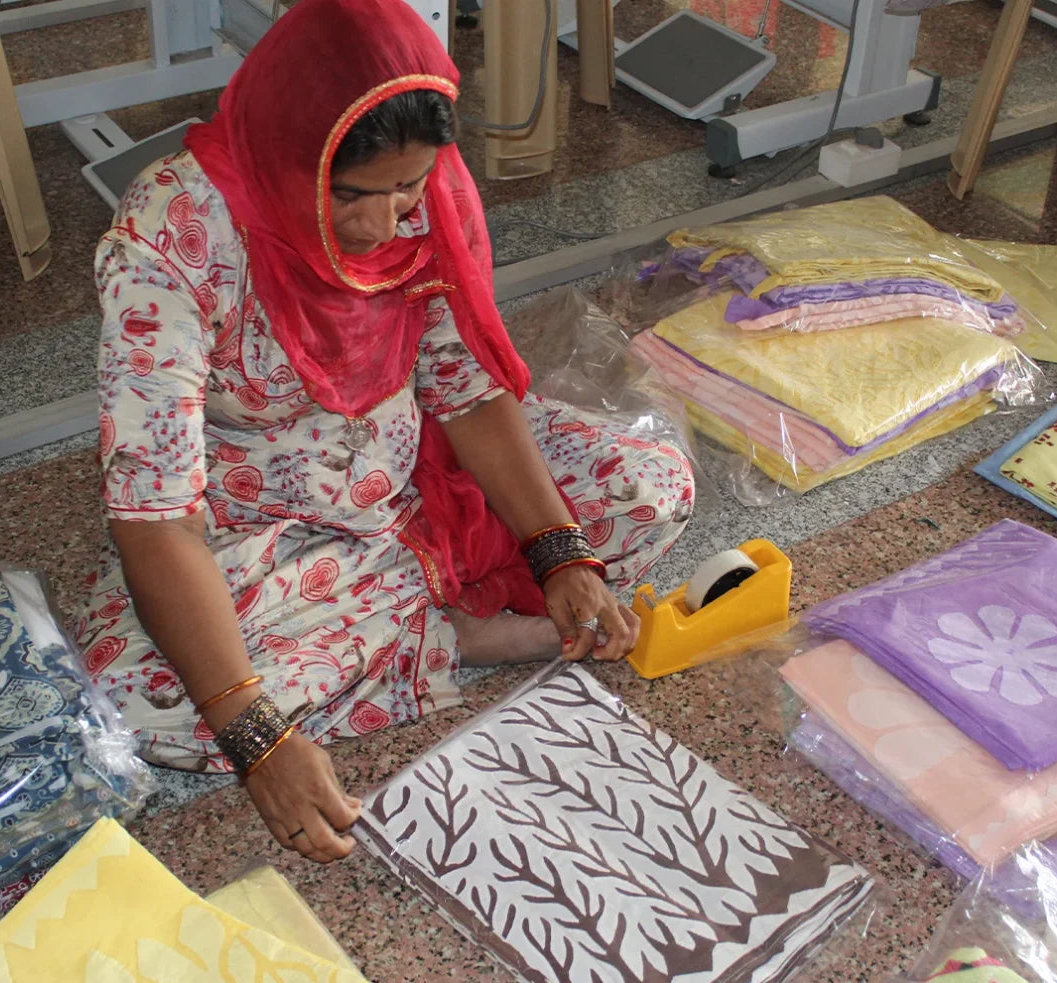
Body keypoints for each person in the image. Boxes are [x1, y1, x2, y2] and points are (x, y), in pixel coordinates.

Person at [73, 0, 693, 865]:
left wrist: (557, 551)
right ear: (292, 152)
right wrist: (258, 743)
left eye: (407, 188)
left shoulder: (423, 201)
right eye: (352, 192)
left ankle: (418, 621)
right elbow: (159, 516)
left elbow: (464, 392)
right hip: (271, 526)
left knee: (648, 487)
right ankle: (461, 633)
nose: (381, 224)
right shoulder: (173, 238)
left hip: (421, 477)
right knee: (139, 700)